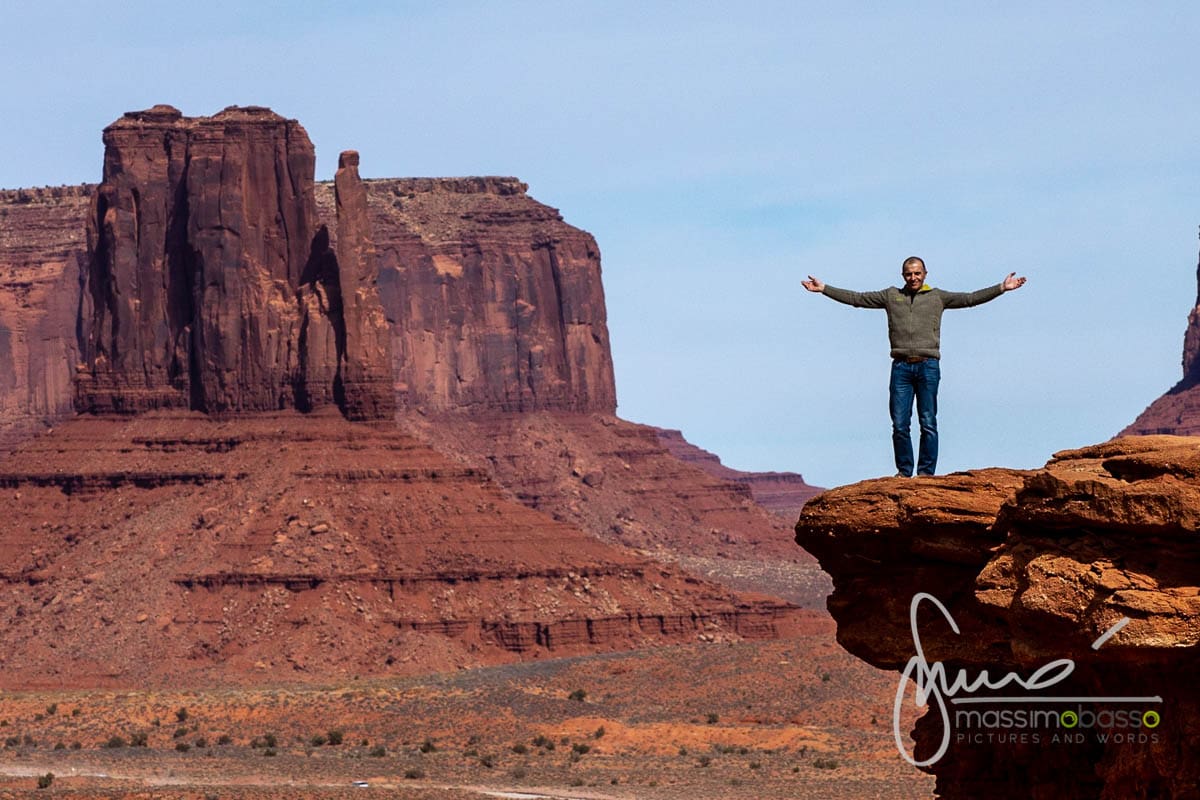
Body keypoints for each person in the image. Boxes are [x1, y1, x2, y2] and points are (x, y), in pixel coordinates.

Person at [802, 257, 1025, 477]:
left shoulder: (937, 297)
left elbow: (969, 299)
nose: (913, 277)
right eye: (909, 273)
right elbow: (857, 298)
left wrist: (1001, 288)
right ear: (903, 276)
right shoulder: (891, 296)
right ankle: (905, 471)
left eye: (917, 273)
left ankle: (926, 473)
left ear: (925, 274)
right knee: (900, 424)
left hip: (928, 366)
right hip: (901, 368)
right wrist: (824, 289)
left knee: (928, 421)